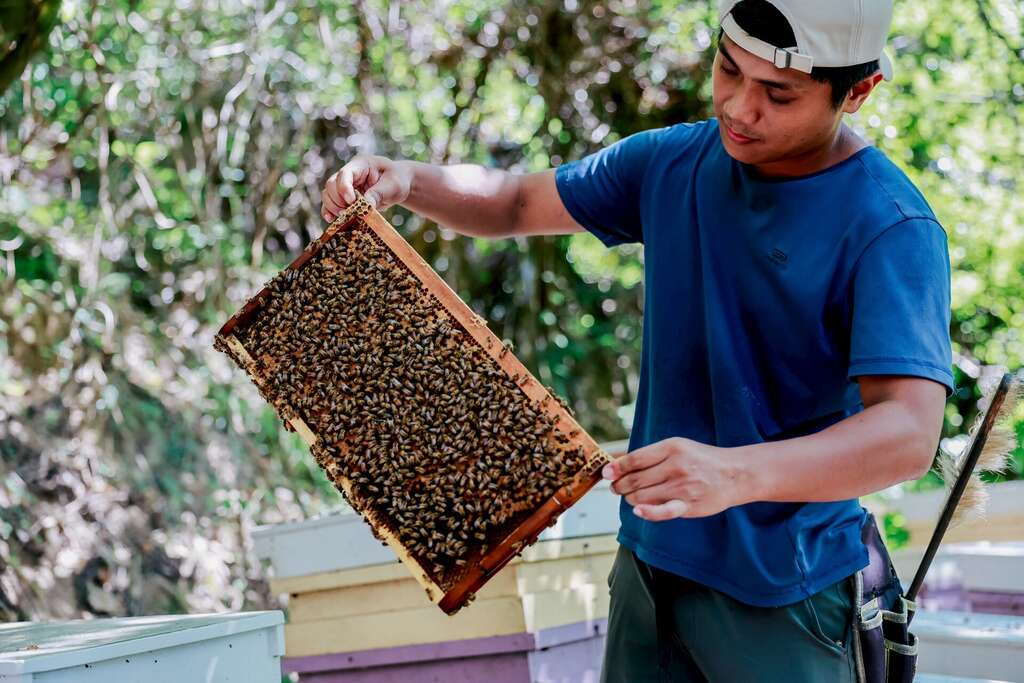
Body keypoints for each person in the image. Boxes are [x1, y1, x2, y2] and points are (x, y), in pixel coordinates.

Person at [320, 0, 953, 679]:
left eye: (778, 94)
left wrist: (735, 473)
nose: (739, 107)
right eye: (728, 69)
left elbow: (908, 434)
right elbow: (515, 201)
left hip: (787, 593)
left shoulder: (890, 225)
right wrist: (409, 179)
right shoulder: (673, 161)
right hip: (648, 573)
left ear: (857, 91)